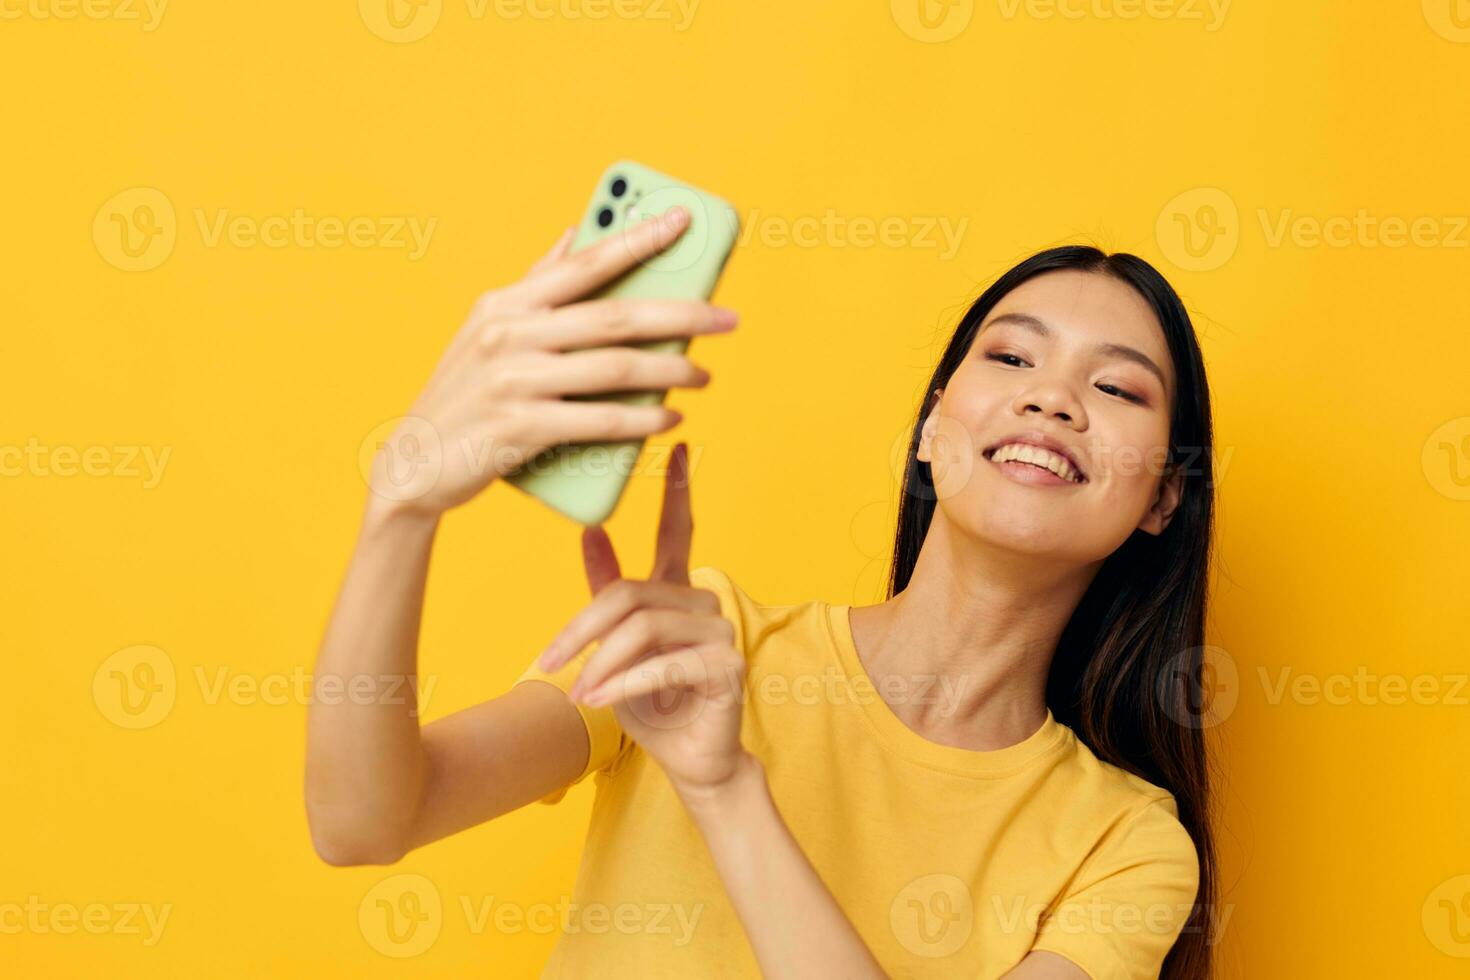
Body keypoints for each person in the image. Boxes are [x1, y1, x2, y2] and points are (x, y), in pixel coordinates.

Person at [305, 204, 1219, 979]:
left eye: (1113, 387)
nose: (1052, 399)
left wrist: (725, 787)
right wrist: (400, 506)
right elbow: (363, 821)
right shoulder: (699, 641)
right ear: (935, 426)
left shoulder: (1127, 846)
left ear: (1163, 496)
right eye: (1013, 360)